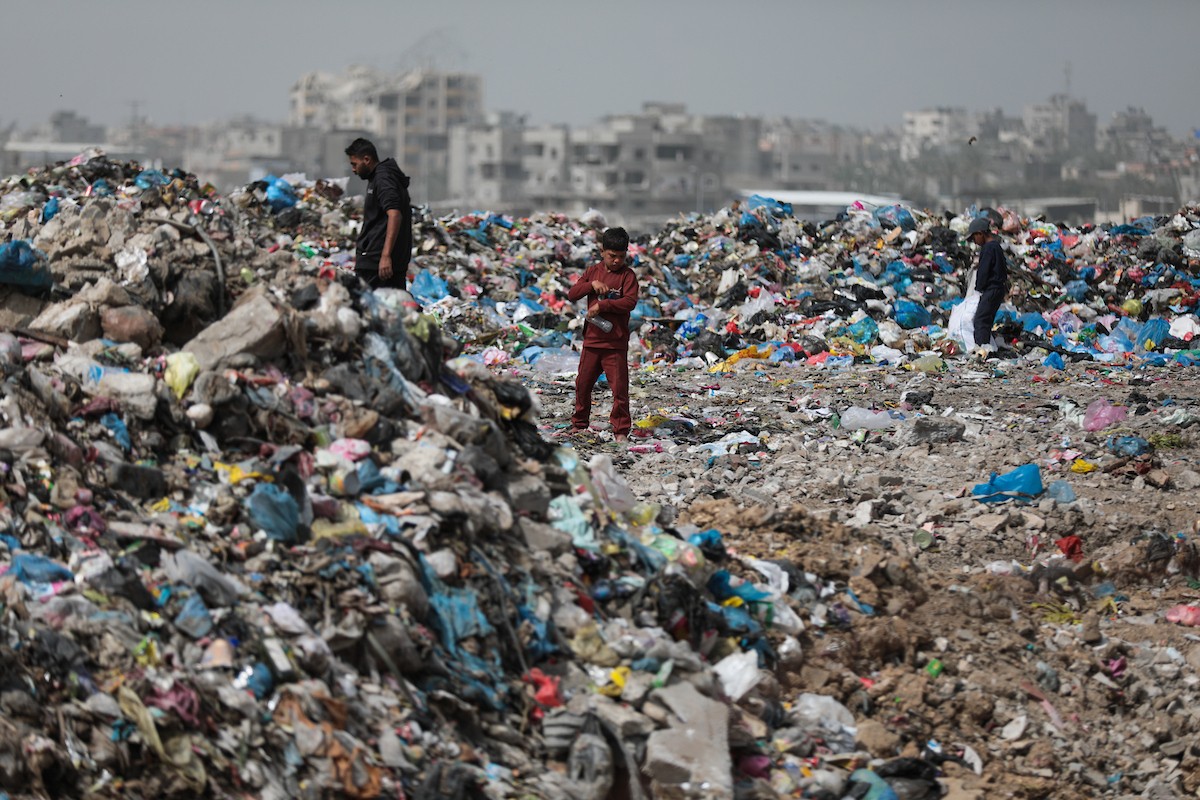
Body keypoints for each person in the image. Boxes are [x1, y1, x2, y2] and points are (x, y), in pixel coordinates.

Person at [567, 227, 639, 442]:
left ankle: (620, 430)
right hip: (592, 341)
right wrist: (591, 285)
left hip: (615, 343)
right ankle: (579, 424)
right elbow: (572, 294)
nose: (616, 261)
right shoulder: (593, 272)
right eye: (612, 256)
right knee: (583, 384)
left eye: (621, 256)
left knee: (619, 390)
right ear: (602, 252)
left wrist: (603, 305)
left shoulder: (627, 276)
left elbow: (630, 302)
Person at [345, 138, 413, 289]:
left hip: (377, 265)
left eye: (355, 164)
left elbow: (394, 214)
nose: (353, 170)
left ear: (366, 159)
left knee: (370, 302)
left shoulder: (383, 178)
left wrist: (385, 256)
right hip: (381, 263)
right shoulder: (380, 177)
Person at [967, 216, 1008, 356]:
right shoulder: (996, 246)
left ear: (980, 233)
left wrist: (978, 289)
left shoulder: (988, 248)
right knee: (986, 320)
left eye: (974, 237)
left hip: (991, 289)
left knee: (980, 321)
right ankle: (987, 350)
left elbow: (984, 272)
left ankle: (982, 352)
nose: (974, 241)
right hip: (998, 289)